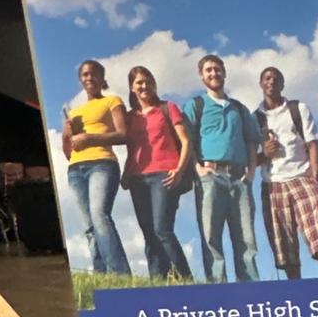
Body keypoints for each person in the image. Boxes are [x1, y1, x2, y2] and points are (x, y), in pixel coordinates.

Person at [183, 54, 260, 284]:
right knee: (210, 237)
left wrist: (252, 171)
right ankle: (219, 290)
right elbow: (187, 139)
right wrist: (197, 167)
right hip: (210, 176)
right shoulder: (196, 105)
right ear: (202, 76)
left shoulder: (239, 108)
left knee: (246, 240)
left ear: (224, 73)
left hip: (239, 178)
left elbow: (251, 141)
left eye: (217, 69)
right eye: (208, 70)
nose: (214, 73)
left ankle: (251, 291)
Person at [256, 67, 318, 280]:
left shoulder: (297, 108)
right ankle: (297, 294)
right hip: (272, 183)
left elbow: (312, 145)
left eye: (276, 78)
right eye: (267, 78)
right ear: (261, 84)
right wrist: (264, 154)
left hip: (302, 177)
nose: (271, 81)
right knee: (284, 243)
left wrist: (315, 177)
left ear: (282, 85)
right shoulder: (255, 117)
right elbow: (250, 159)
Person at [61, 59, 131, 276]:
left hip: (102, 164)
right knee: (89, 226)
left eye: (93, 74)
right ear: (80, 80)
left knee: (100, 215)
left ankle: (119, 274)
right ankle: (100, 275)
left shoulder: (112, 101)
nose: (89, 78)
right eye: (84, 75)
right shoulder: (74, 112)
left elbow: (123, 135)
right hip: (75, 169)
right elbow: (68, 152)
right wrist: (66, 134)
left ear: (102, 78)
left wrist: (90, 138)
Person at [122, 65, 193, 281]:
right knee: (149, 234)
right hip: (137, 178)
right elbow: (133, 148)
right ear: (132, 88)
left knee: (162, 229)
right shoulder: (129, 117)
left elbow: (186, 140)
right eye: (139, 82)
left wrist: (179, 170)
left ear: (154, 84)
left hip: (165, 174)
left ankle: (186, 279)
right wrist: (126, 173)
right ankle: (158, 282)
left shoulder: (167, 107)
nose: (144, 86)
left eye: (147, 81)